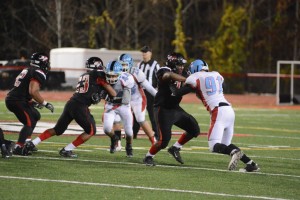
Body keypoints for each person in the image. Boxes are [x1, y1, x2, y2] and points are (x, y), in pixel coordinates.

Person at [174, 59, 260, 172]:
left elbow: (179, 93)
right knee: (226, 144)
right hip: (229, 110)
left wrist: (172, 87)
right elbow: (221, 87)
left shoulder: (195, 77)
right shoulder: (216, 74)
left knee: (214, 146)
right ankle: (251, 164)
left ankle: (234, 153)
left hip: (218, 111)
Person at [25, 57, 117, 158]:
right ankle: (67, 149)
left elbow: (92, 91)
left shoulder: (85, 75)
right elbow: (113, 93)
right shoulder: (97, 75)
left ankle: (32, 143)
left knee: (57, 130)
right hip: (80, 106)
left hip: (71, 103)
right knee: (91, 131)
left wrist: (99, 94)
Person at [143, 52, 200, 166]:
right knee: (163, 141)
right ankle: (148, 157)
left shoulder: (182, 73)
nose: (182, 67)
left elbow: (189, 84)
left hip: (175, 108)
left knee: (194, 129)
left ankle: (175, 148)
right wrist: (187, 81)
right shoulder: (164, 70)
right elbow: (169, 77)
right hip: (162, 110)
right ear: (173, 64)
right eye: (179, 65)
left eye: (182, 65)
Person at [5, 52, 54, 156]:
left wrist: (33, 102)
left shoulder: (28, 69)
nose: (47, 64)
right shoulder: (38, 72)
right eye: (46, 62)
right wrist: (45, 103)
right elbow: (33, 91)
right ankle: (18, 147)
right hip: (16, 100)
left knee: (35, 115)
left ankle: (27, 142)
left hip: (18, 99)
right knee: (29, 122)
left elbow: (24, 90)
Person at [118, 53, 157, 146]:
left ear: (130, 64)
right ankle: (117, 144)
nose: (123, 67)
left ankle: (154, 141)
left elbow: (149, 88)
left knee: (140, 119)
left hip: (137, 99)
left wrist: (159, 96)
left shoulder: (136, 72)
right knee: (116, 119)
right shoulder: (117, 72)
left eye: (125, 64)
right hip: (124, 100)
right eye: (121, 64)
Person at [102, 60, 135, 157]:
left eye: (114, 76)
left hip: (123, 106)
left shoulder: (127, 79)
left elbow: (125, 99)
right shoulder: (103, 78)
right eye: (109, 75)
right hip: (110, 105)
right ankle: (114, 138)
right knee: (107, 129)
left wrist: (110, 96)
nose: (111, 78)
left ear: (120, 74)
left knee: (129, 132)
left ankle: (129, 146)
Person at [137, 46, 160, 139]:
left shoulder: (155, 64)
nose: (144, 54)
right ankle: (133, 133)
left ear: (150, 53)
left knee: (152, 114)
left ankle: (157, 135)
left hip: (151, 93)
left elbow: (160, 78)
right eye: (143, 52)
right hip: (140, 92)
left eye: (145, 52)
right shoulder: (139, 65)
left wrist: (159, 91)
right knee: (136, 112)